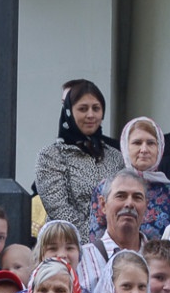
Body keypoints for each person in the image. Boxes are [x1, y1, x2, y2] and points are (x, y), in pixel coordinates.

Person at [36, 81, 124, 234]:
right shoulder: (51, 156)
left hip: (112, 246)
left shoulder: (116, 156)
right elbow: (59, 208)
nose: (90, 115)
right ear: (69, 111)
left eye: (96, 108)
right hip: (67, 244)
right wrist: (93, 244)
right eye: (83, 109)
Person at [89, 118, 170, 238]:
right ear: (125, 147)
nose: (144, 150)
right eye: (137, 143)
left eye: (151, 143)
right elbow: (96, 238)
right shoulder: (106, 188)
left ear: (160, 148)